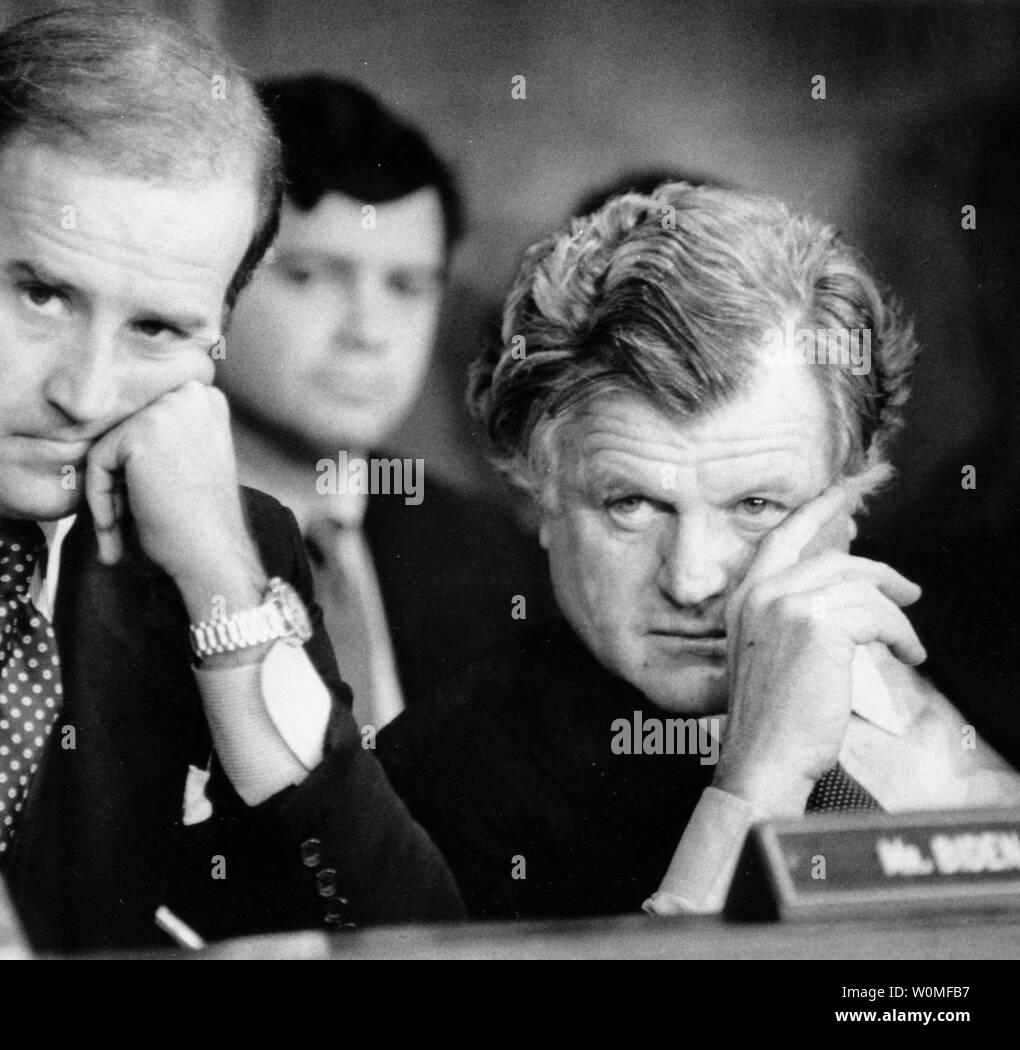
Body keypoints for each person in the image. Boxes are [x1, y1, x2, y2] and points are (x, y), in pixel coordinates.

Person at [0, 9, 462, 954]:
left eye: (157, 330)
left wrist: (224, 591)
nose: (86, 392)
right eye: (43, 296)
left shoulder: (230, 544)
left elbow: (408, 940)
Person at [379, 182, 1020, 920]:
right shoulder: (442, 783)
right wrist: (757, 782)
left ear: (855, 483)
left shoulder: (996, 622)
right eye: (631, 505)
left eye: (756, 507)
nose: (691, 581)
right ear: (539, 494)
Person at [214, 75, 551, 732]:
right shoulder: (110, 542)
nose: (367, 332)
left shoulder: (491, 555)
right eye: (310, 276)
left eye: (406, 286)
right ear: (213, 280)